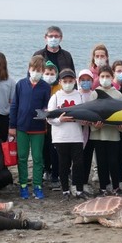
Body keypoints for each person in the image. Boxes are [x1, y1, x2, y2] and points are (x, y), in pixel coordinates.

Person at [9, 55, 52, 200]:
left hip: (38, 128)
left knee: (37, 158)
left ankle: (37, 186)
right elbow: (14, 105)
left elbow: (47, 106)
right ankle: (23, 185)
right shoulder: (21, 84)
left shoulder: (45, 87)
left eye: (39, 70)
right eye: (34, 69)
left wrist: (46, 112)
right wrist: (12, 125)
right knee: (22, 157)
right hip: (21, 127)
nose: (36, 72)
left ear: (43, 71)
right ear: (29, 69)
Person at [46, 68, 88, 198]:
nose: (68, 83)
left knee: (78, 163)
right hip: (60, 137)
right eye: (65, 81)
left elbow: (85, 115)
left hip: (76, 136)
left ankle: (79, 189)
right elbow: (49, 118)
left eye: (70, 81)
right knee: (63, 163)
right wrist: (60, 120)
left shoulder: (80, 96)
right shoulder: (55, 97)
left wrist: (82, 121)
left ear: (75, 81)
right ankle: (65, 190)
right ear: (60, 82)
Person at [91, 66, 122, 195]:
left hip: (113, 134)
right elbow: (90, 113)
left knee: (113, 161)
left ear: (112, 77)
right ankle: (103, 188)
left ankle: (116, 187)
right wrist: (95, 126)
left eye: (107, 76)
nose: (105, 79)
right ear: (98, 78)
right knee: (101, 162)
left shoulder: (118, 94)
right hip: (98, 134)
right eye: (102, 76)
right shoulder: (94, 93)